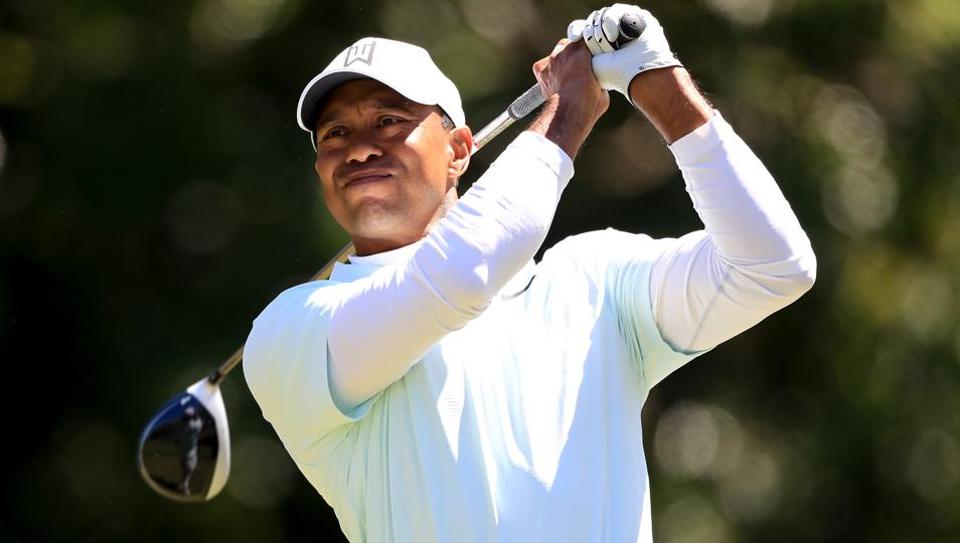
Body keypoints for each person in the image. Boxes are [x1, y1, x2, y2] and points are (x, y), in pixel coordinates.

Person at [243, 5, 816, 542]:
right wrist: (567, 112)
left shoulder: (595, 283)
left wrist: (659, 83)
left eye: (389, 122)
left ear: (459, 151)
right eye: (335, 135)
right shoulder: (292, 332)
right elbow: (461, 276)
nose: (360, 150)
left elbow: (772, 265)